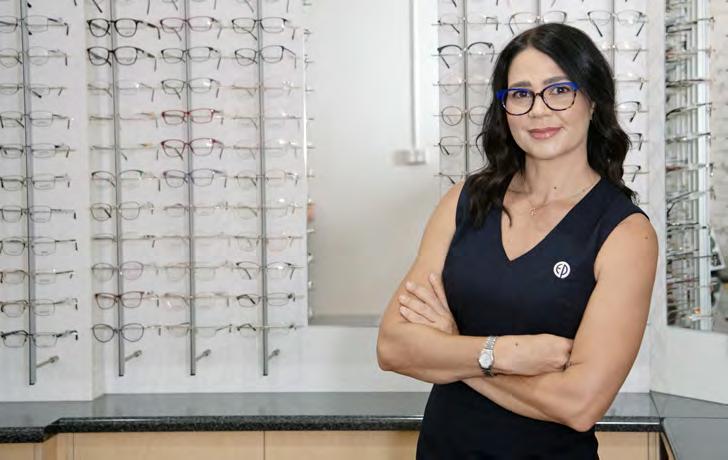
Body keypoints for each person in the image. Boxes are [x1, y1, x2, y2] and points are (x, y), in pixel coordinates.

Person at [376, 23, 658, 459]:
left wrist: (454, 347)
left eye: (559, 90)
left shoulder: (625, 233)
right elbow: (393, 346)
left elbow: (579, 404)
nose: (538, 111)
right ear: (504, 109)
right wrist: (504, 352)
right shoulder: (465, 202)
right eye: (521, 94)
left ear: (593, 100)